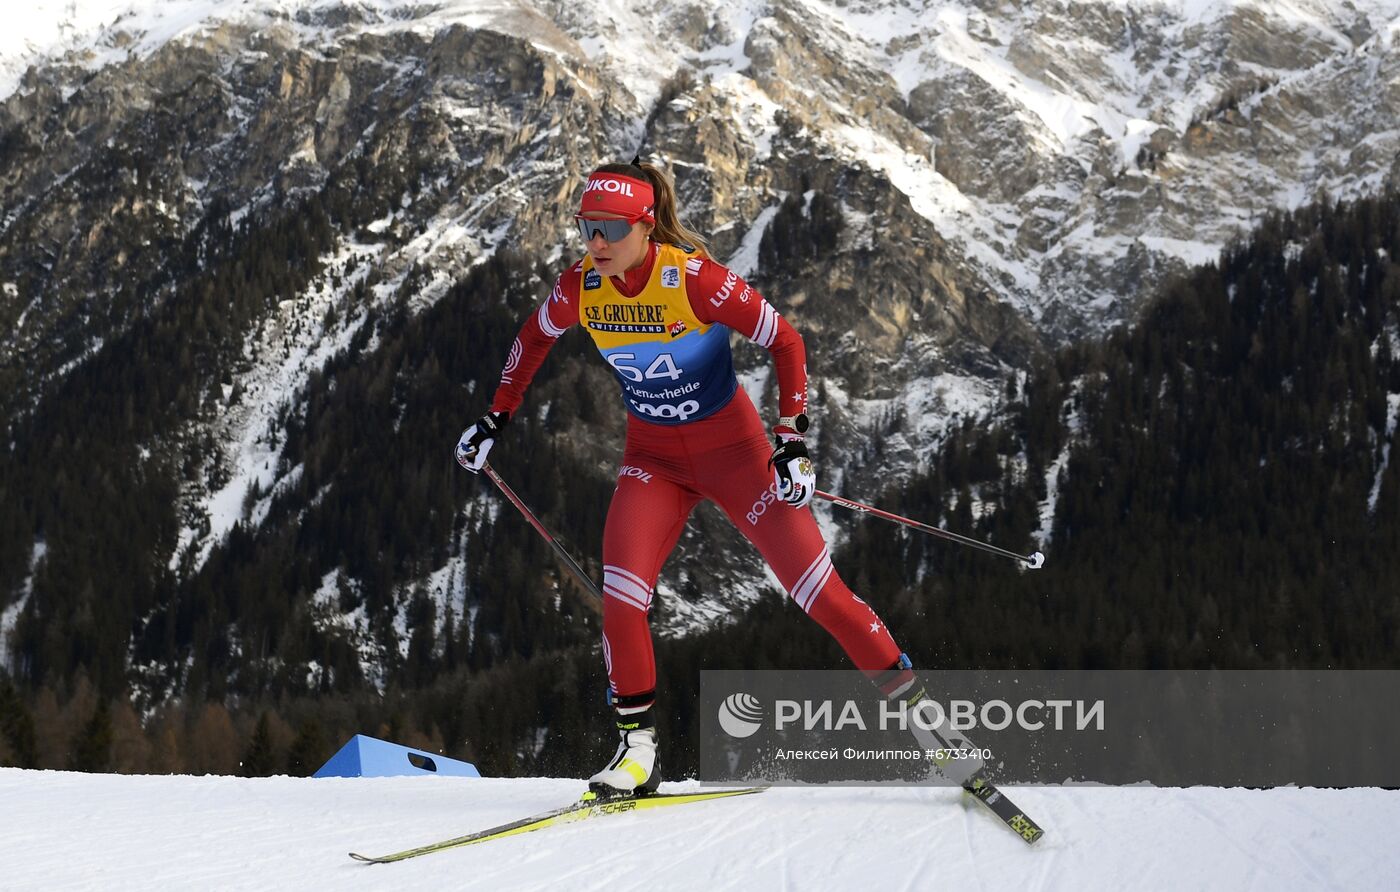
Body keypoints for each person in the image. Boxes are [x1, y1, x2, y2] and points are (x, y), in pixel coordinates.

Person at [455, 158, 916, 797]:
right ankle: (637, 752)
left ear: (646, 227)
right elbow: (530, 340)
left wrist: (790, 442)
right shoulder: (580, 287)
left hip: (737, 456)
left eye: (612, 229)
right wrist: (494, 418)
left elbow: (786, 342)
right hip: (654, 461)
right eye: (587, 226)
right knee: (620, 599)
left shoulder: (694, 280)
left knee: (821, 596)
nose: (596, 243)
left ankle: (928, 725)